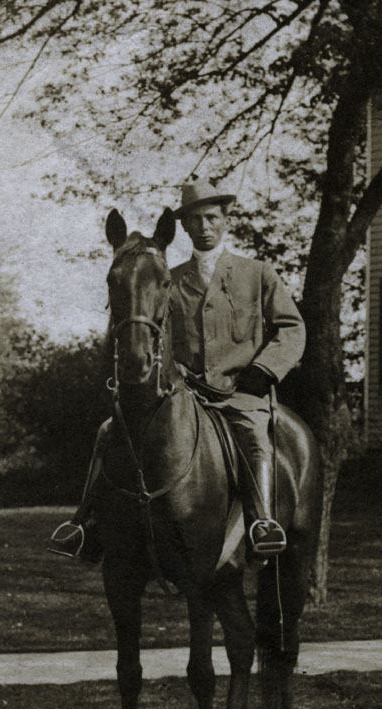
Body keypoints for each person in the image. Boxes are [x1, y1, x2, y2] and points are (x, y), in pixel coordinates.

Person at [48, 179, 306, 562]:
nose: (203, 226)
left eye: (211, 218)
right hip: (185, 391)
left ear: (224, 220)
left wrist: (265, 369)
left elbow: (292, 328)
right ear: (182, 227)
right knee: (108, 431)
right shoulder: (169, 277)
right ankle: (86, 524)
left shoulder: (257, 274)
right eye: (195, 220)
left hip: (242, 390)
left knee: (254, 436)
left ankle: (261, 523)